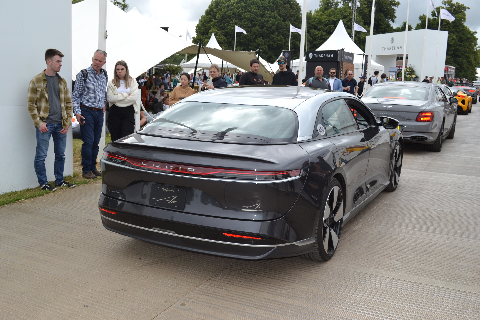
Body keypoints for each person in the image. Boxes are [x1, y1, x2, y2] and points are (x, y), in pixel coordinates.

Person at [27, 49, 75, 191]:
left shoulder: (62, 81)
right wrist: (39, 123)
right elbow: (31, 105)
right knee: (41, 155)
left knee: (61, 155)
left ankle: (59, 181)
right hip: (45, 126)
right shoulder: (36, 81)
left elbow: (68, 104)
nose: (61, 64)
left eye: (61, 61)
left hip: (61, 125)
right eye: (58, 61)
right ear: (49, 62)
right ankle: (43, 183)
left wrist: (67, 123)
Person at [72, 49, 108, 179]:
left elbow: (103, 91)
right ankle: (86, 169)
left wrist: (104, 102)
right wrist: (77, 112)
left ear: (104, 62)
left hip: (99, 112)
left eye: (100, 61)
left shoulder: (104, 74)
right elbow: (75, 95)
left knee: (96, 141)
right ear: (92, 58)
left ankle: (93, 167)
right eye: (95, 59)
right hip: (86, 111)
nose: (96, 63)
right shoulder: (83, 74)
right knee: (88, 141)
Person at [106, 60, 139, 142]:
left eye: (122, 69)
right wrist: (124, 95)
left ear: (126, 70)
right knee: (115, 137)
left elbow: (133, 97)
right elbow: (110, 98)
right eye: (117, 69)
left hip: (128, 111)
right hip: (115, 112)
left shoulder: (132, 81)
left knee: (126, 137)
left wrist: (117, 99)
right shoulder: (111, 83)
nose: (120, 71)